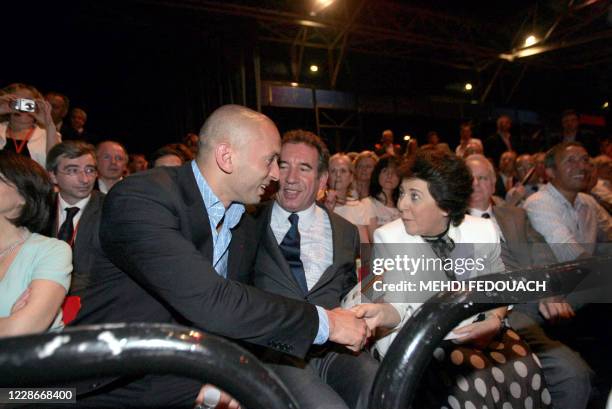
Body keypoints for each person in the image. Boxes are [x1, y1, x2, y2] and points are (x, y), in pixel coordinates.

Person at [70, 105, 367, 407]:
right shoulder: (142, 199)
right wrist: (326, 323)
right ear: (227, 157)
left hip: (194, 376)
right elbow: (212, 300)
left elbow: (248, 303)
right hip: (108, 385)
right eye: (271, 162)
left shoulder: (243, 222)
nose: (277, 175)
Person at [353, 150, 552, 409]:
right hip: (417, 336)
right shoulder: (386, 237)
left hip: (479, 329)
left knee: (526, 369)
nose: (401, 204)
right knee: (468, 386)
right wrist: (378, 308)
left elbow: (499, 285)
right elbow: (384, 300)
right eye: (402, 193)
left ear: (445, 205)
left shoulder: (481, 230)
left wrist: (494, 319)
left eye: (414, 196)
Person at [253, 130, 379, 409]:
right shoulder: (249, 222)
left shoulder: (347, 231)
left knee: (381, 389)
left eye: (304, 168)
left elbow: (363, 289)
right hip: (275, 351)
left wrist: (369, 313)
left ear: (322, 180)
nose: (291, 177)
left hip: (335, 350)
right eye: (283, 165)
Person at [466, 153, 593, 409]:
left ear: (493, 184)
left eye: (482, 178)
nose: (475, 184)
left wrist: (548, 290)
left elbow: (543, 254)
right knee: (569, 373)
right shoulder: (448, 220)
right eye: (468, 178)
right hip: (491, 311)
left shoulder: (515, 215)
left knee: (576, 372)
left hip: (534, 304)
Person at [0, 151, 72, 337]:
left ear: (24, 196)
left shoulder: (51, 251)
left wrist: (15, 324)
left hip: (29, 363)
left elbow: (24, 328)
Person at [524, 142, 612, 262]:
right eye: (571, 161)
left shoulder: (588, 201)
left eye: (585, 160)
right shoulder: (539, 203)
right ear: (550, 172)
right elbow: (570, 254)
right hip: (560, 278)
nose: (582, 167)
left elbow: (609, 231)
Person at [45, 141, 104, 302]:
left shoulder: (110, 210)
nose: (85, 179)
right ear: (52, 175)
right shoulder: (38, 209)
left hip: (92, 302)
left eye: (90, 170)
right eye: (72, 170)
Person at [0, 83, 61, 167]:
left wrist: (49, 124)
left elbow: (57, 166)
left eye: (28, 103)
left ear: (37, 105)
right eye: (17, 102)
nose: (22, 107)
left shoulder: (49, 134)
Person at [323, 153, 370, 243]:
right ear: (327, 177)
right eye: (333, 171)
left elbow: (364, 244)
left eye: (343, 171)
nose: (338, 175)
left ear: (351, 177)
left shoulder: (358, 207)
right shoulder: (318, 205)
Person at [362, 155, 401, 241]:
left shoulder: (403, 204)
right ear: (377, 174)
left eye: (394, 172)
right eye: (385, 171)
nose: (389, 175)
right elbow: (375, 239)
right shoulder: (367, 204)